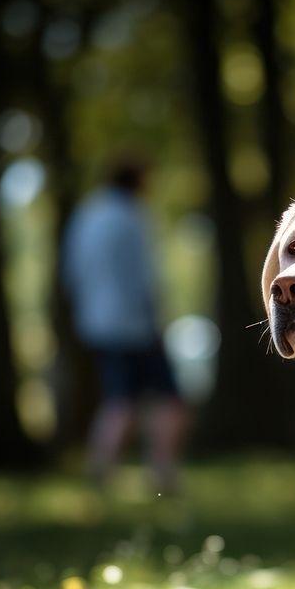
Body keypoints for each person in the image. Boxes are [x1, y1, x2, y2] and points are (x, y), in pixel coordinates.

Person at [62, 157, 188, 490]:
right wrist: (156, 319)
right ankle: (162, 472)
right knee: (169, 399)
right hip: (135, 324)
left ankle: (100, 469)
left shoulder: (87, 215)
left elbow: (71, 272)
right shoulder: (132, 218)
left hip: (97, 323)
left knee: (119, 398)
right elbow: (144, 278)